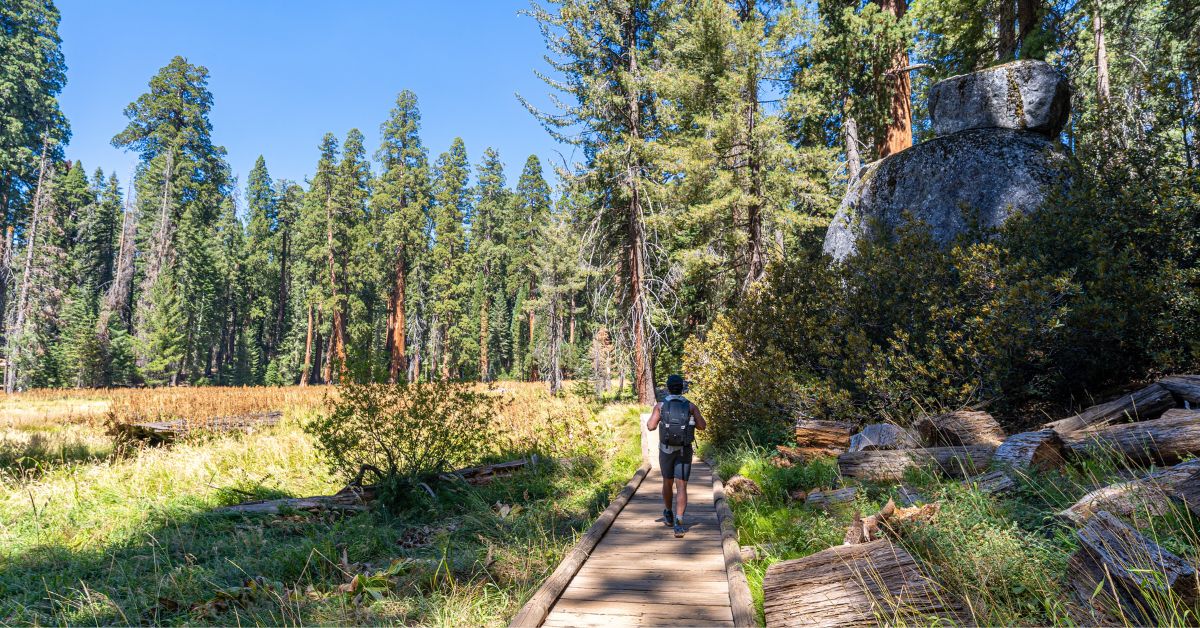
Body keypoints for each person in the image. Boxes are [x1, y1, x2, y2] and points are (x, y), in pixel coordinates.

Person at [646, 374, 706, 537]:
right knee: (681, 486)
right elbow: (702, 426)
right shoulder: (690, 406)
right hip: (684, 450)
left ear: (668, 388)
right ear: (682, 388)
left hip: (666, 450)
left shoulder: (660, 405)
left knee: (667, 482)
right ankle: (679, 522)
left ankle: (668, 512)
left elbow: (651, 426)